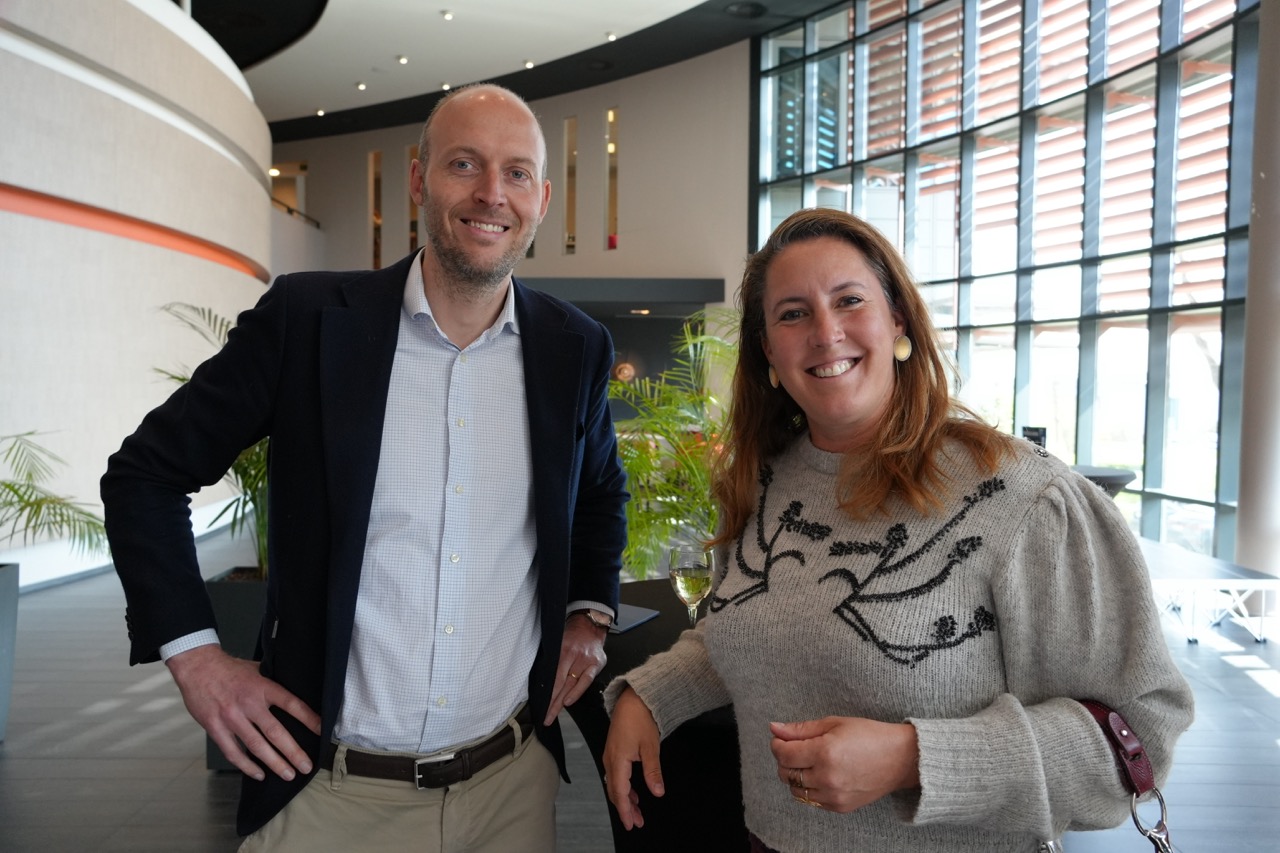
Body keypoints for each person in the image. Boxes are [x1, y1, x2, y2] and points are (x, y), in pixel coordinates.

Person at [101, 83, 628, 852]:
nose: (492, 193)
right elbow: (145, 475)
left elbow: (601, 489)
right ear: (418, 180)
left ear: (542, 200)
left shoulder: (574, 347)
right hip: (327, 794)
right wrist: (197, 656)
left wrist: (589, 612)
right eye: (464, 164)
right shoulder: (307, 321)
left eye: (517, 173)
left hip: (510, 791)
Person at [601, 207, 1194, 852]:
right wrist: (651, 695)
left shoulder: (1024, 496)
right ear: (768, 350)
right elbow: (762, 630)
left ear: (899, 322)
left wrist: (914, 758)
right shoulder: (760, 483)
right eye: (793, 314)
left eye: (849, 301)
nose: (825, 333)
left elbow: (1138, 732)